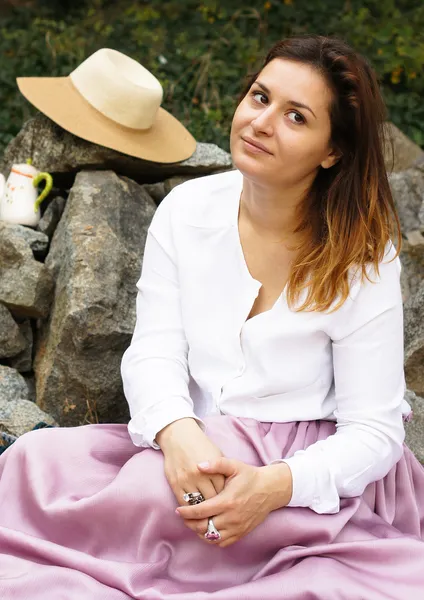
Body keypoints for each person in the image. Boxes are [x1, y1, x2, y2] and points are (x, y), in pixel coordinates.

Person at [0, 34, 423, 599]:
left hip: (311, 475)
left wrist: (270, 488)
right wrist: (177, 434)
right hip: (195, 446)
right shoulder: (187, 210)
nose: (262, 122)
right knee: (34, 462)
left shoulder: (363, 257)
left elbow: (373, 432)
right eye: (258, 97)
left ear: (333, 151)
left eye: (296, 116)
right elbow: (155, 351)